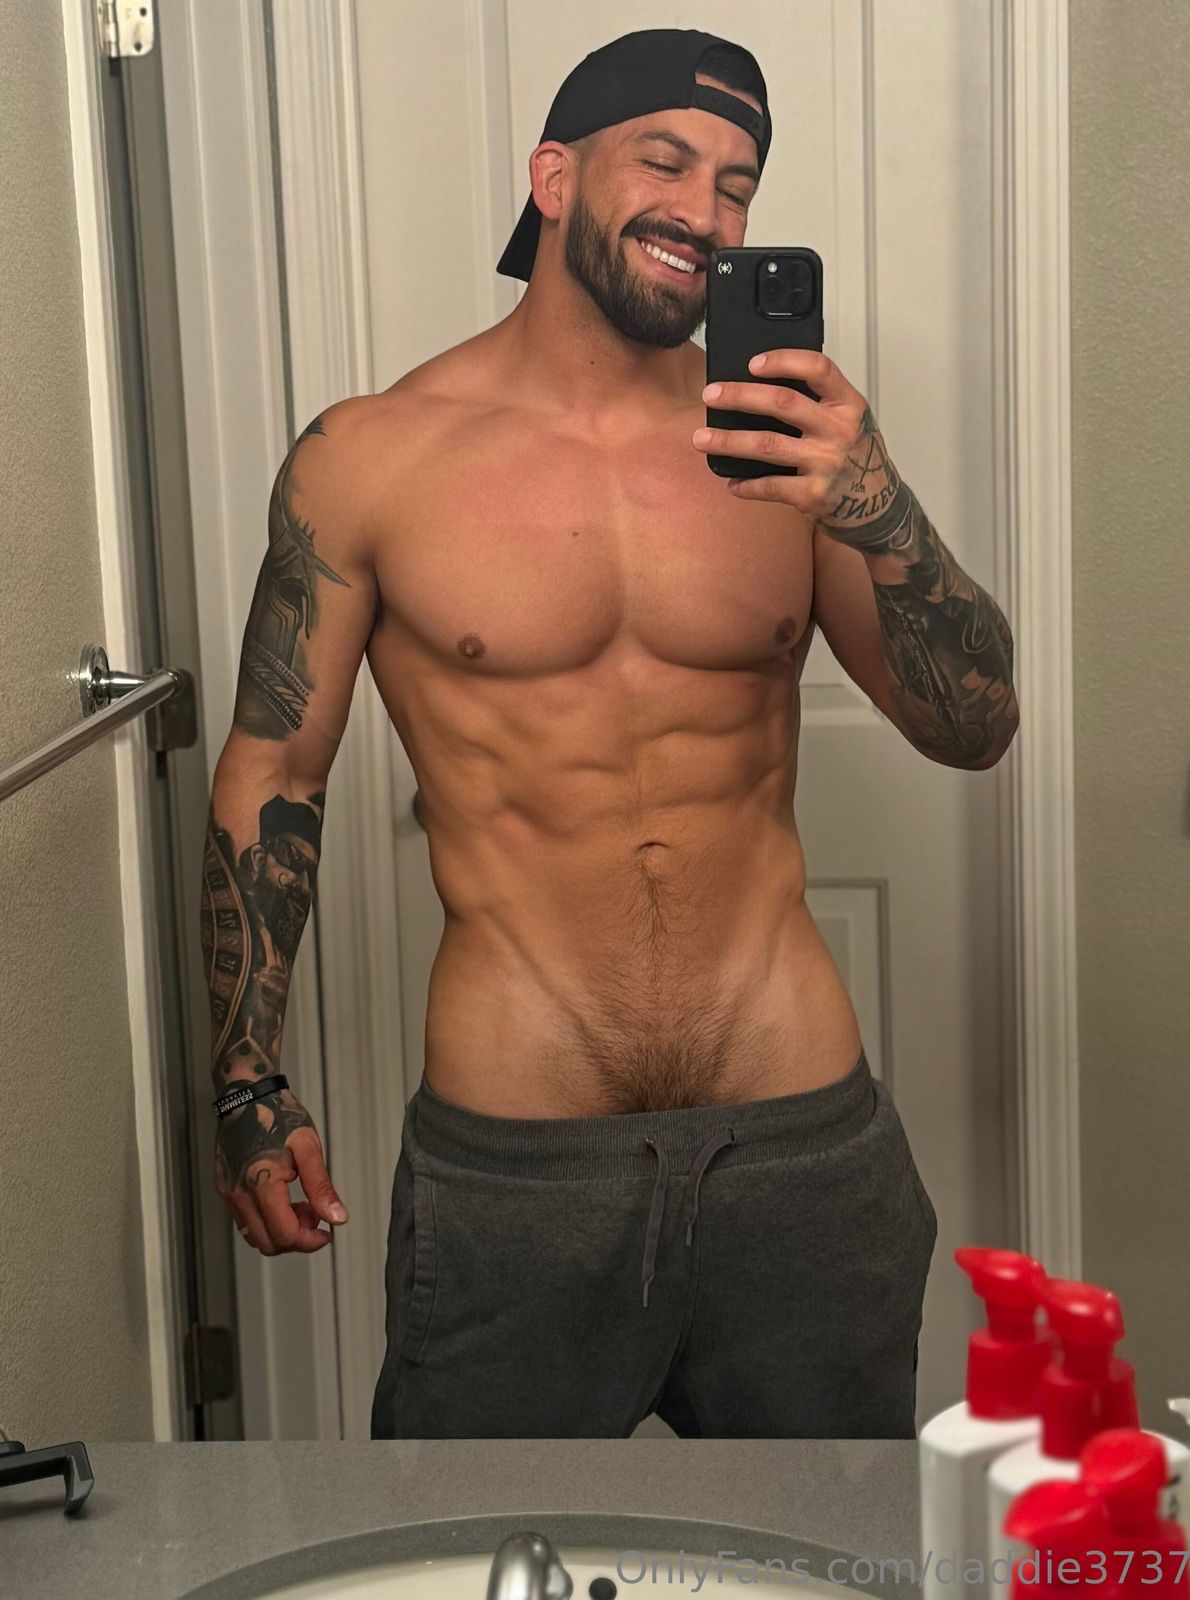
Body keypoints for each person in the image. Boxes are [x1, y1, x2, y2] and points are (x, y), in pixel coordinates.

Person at [202, 28, 1019, 1440]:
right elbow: (275, 769)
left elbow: (976, 728)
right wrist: (244, 1083)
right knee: (479, 1542)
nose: (706, 212)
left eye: (737, 185)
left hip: (799, 1148)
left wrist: (878, 504)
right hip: (518, 1169)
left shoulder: (787, 447)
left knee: (830, 1547)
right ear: (554, 176)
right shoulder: (371, 457)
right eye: (667, 162)